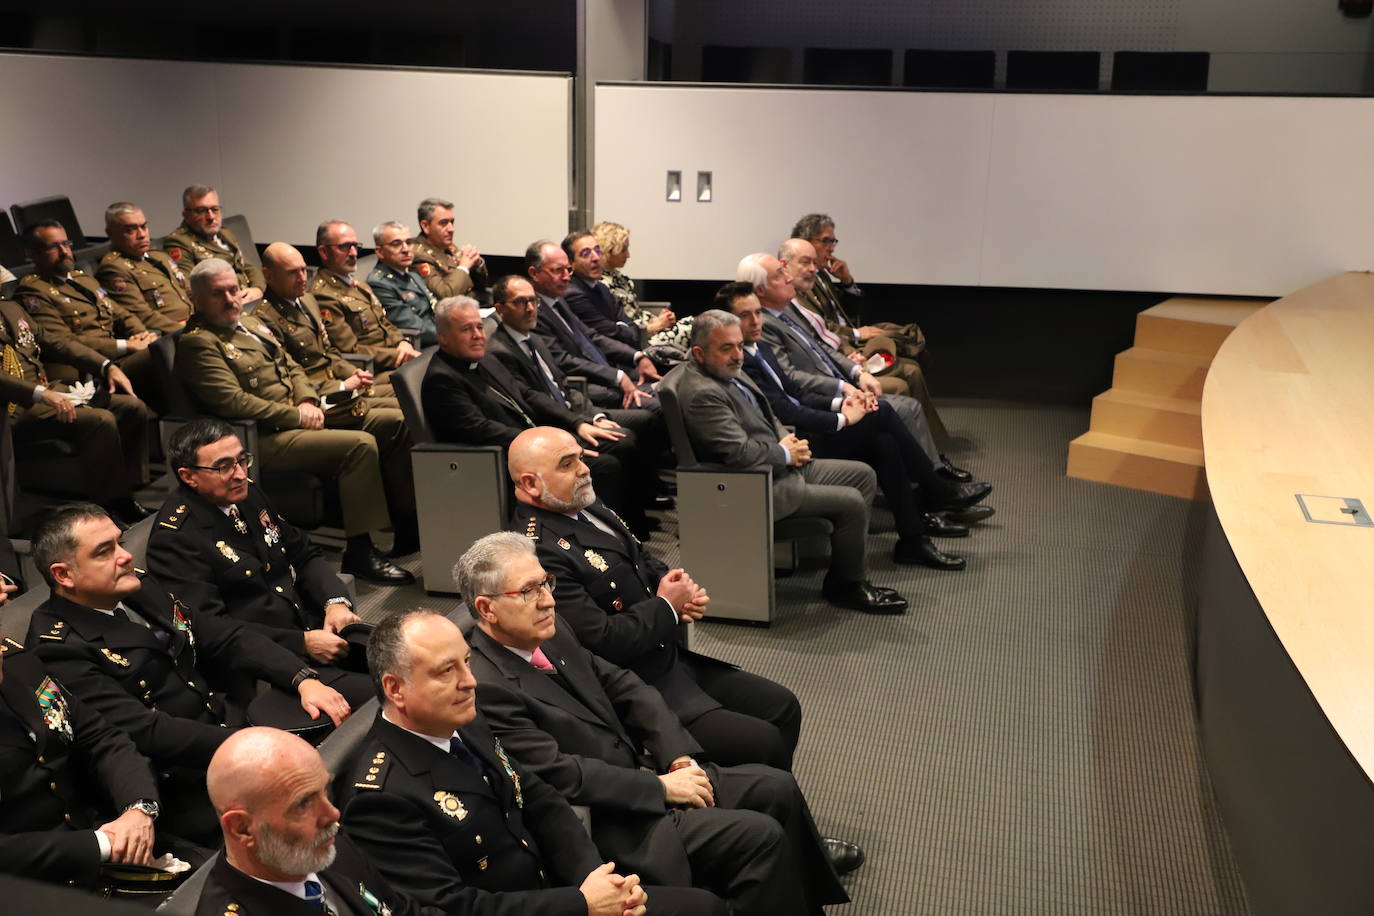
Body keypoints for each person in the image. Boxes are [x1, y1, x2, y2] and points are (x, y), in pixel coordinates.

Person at [460, 532, 855, 915]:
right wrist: (660, 787)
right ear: (487, 608)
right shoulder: (487, 686)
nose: (547, 600)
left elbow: (626, 684)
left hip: (644, 773)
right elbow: (561, 775)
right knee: (760, 838)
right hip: (609, 819)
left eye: (546, 583)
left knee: (777, 786)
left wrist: (677, 756)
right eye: (529, 591)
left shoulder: (549, 629)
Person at [338, 607, 725, 916]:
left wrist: (597, 880)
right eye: (446, 671)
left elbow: (540, 800)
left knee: (706, 904)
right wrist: (582, 904)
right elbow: (453, 908)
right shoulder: (381, 797)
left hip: (560, 889)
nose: (469, 681)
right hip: (544, 906)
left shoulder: (463, 721)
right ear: (395, 688)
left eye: (467, 663)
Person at [27, 502, 352, 845]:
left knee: (352, 744)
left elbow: (222, 636)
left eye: (120, 543)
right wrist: (254, 746)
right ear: (64, 575)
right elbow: (147, 731)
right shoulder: (56, 646)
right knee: (315, 823)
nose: (125, 556)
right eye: (105, 551)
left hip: (230, 726)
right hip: (182, 786)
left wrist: (301, 678)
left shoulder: (135, 588)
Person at [505, 427, 801, 768]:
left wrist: (673, 586)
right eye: (567, 464)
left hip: (667, 656)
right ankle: (747, 805)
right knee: (762, 743)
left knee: (783, 706)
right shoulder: (536, 552)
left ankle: (764, 799)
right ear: (530, 484)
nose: (583, 469)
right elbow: (599, 641)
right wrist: (666, 608)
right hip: (636, 687)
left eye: (581, 458)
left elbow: (638, 556)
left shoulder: (583, 503)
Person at [176, 258, 417, 583]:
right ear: (196, 300)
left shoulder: (251, 324)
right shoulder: (198, 343)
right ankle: (360, 550)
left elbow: (291, 366)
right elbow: (233, 402)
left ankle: (406, 523)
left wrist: (306, 399)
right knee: (359, 446)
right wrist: (298, 414)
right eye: (219, 294)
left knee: (394, 424)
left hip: (300, 415)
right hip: (259, 436)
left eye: (234, 290)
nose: (231, 299)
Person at [718, 281, 991, 562]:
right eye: (745, 316)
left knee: (883, 444)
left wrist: (842, 404)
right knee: (882, 413)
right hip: (793, 440)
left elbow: (796, 393)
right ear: (727, 322)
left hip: (807, 427)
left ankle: (913, 539)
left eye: (757, 313)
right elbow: (784, 411)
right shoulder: (740, 360)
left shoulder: (757, 348)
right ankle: (938, 491)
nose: (755, 321)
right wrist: (841, 419)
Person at [661, 311, 908, 614]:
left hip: (778, 465)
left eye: (739, 346)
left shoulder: (728, 369)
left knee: (863, 476)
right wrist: (784, 453)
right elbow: (738, 455)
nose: (737, 354)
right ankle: (847, 584)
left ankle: (841, 557)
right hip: (752, 487)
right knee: (853, 502)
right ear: (699, 353)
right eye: (727, 348)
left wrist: (791, 445)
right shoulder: (702, 394)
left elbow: (769, 415)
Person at [146, 420, 383, 700]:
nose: (239, 473)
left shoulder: (245, 493)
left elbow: (303, 553)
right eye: (224, 466)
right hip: (267, 669)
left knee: (412, 663)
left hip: (317, 632)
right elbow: (213, 631)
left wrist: (335, 603)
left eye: (242, 460)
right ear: (189, 477)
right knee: (390, 696)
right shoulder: (176, 539)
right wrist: (301, 644)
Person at [420, 295, 655, 539]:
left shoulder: (485, 358)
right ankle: (601, 540)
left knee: (621, 442)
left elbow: (528, 395)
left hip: (536, 438)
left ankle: (632, 536)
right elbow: (481, 430)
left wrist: (577, 423)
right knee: (606, 466)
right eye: (466, 329)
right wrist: (549, 445)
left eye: (479, 326)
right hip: (506, 460)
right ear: (443, 337)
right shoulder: (442, 379)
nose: (478, 335)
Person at [739, 250, 975, 486]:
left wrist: (855, 371)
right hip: (817, 402)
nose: (789, 277)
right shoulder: (763, 327)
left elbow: (822, 345)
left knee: (899, 406)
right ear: (760, 290)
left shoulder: (786, 308)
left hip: (837, 378)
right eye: (782, 273)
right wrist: (843, 392)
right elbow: (791, 386)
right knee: (896, 409)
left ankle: (930, 477)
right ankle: (932, 482)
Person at [199, 727, 442, 916]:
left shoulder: (325, 847)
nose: (332, 815)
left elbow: (401, 911)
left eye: (325, 790)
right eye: (303, 804)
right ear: (242, 829)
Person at [485, 275, 666, 514]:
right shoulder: (499, 350)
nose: (530, 308)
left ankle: (641, 512)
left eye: (533, 301)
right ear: (500, 309)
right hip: (554, 426)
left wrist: (595, 416)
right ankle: (628, 526)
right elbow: (532, 400)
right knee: (622, 443)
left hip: (576, 411)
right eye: (520, 302)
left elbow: (564, 386)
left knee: (643, 422)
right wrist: (579, 423)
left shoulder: (533, 339)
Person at [0, 632, 162, 892]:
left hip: (108, 846)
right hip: (29, 890)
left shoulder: (17, 664)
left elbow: (101, 737)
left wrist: (138, 809)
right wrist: (105, 843)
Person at [0, 295, 152, 524]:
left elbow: (55, 343)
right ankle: (108, 509)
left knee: (132, 407)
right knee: (100, 420)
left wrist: (105, 365)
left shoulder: (10, 308)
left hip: (47, 393)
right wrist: (40, 393)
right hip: (14, 408)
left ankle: (128, 494)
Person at [15, 220, 157, 394]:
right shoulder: (32, 293)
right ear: (32, 254)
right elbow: (65, 342)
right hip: (90, 369)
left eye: (66, 244)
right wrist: (127, 345)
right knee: (164, 350)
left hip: (121, 356)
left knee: (163, 344)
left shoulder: (83, 280)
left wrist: (142, 336)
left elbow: (121, 314)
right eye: (53, 246)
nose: (64, 251)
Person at [527, 240, 659, 411]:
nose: (567, 277)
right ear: (534, 273)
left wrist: (637, 356)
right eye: (558, 271)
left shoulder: (558, 301)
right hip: (584, 388)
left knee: (668, 390)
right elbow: (563, 360)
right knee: (659, 405)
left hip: (606, 375)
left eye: (568, 270)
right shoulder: (533, 312)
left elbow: (591, 336)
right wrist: (616, 377)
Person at [255, 242, 395, 402]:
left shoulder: (307, 300)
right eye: (292, 273)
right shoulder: (264, 318)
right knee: (403, 411)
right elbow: (289, 376)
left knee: (408, 390)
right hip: (317, 399)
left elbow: (328, 352)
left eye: (304, 270)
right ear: (268, 275)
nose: (302, 278)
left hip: (338, 382)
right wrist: (341, 386)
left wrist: (353, 372)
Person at [310, 220, 421, 370]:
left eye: (355, 246)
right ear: (323, 252)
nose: (353, 253)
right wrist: (397, 355)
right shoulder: (324, 295)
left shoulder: (357, 283)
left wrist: (402, 342)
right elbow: (350, 350)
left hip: (394, 361)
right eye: (344, 247)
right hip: (371, 370)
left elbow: (383, 322)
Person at [590, 221, 690, 351]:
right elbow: (621, 326)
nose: (628, 255)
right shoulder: (601, 285)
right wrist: (657, 325)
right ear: (608, 250)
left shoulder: (619, 278)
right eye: (623, 250)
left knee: (697, 324)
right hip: (640, 341)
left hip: (647, 332)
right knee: (696, 329)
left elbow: (636, 314)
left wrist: (658, 319)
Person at [96, 201, 192, 334]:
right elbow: (144, 316)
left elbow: (189, 290)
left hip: (194, 322)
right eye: (130, 230)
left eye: (143, 227)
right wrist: (189, 331)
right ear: (110, 234)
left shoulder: (158, 256)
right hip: (171, 333)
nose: (141, 235)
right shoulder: (114, 269)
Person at [164, 185, 265, 304]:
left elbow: (249, 267)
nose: (211, 217)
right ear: (186, 215)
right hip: (225, 307)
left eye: (215, 209)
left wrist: (257, 289)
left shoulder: (225, 233)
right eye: (202, 211)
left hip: (251, 300)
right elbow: (189, 289)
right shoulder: (179, 243)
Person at [561, 230, 642, 349]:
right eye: (586, 253)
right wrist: (621, 327)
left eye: (597, 250)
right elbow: (610, 332)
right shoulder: (573, 293)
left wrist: (622, 327)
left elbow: (632, 328)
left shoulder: (602, 287)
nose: (596, 258)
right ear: (570, 262)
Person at [368, 221, 439, 347]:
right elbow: (414, 327)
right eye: (396, 244)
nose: (406, 249)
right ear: (379, 252)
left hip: (436, 337)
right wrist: (451, 335)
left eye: (409, 242)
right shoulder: (379, 284)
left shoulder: (413, 275)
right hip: (420, 346)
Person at [410, 197, 489, 300]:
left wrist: (476, 264)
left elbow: (481, 286)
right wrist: (463, 267)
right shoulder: (418, 255)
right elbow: (445, 295)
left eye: (452, 222)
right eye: (443, 223)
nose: (451, 229)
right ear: (425, 226)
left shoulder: (450, 248)